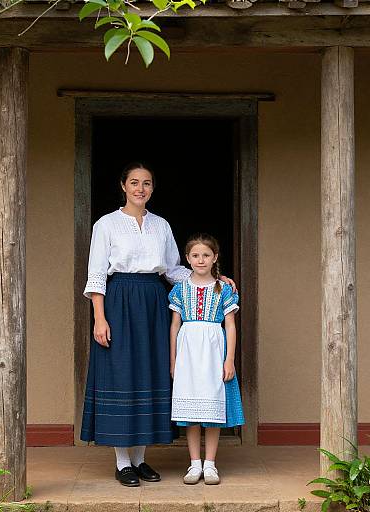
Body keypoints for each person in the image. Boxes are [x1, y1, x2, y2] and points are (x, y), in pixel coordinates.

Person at [81, 164, 235, 487]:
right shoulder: (106, 224)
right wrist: (99, 316)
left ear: (152, 188)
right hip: (119, 301)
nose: (140, 188)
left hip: (153, 302)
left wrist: (214, 279)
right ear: (123, 185)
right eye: (134, 182)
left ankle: (139, 460)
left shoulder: (161, 225)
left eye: (147, 183)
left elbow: (175, 270)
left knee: (149, 374)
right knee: (122, 376)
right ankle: (123, 462)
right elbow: (96, 274)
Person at [168, 233, 245, 486]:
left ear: (215, 258)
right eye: (195, 255)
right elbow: (174, 326)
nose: (201, 260)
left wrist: (229, 359)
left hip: (214, 350)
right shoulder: (180, 289)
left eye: (206, 255)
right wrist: (173, 360)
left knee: (212, 406)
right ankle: (194, 464)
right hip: (188, 352)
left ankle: (210, 464)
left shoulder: (223, 289)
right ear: (187, 259)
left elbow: (231, 326)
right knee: (191, 410)